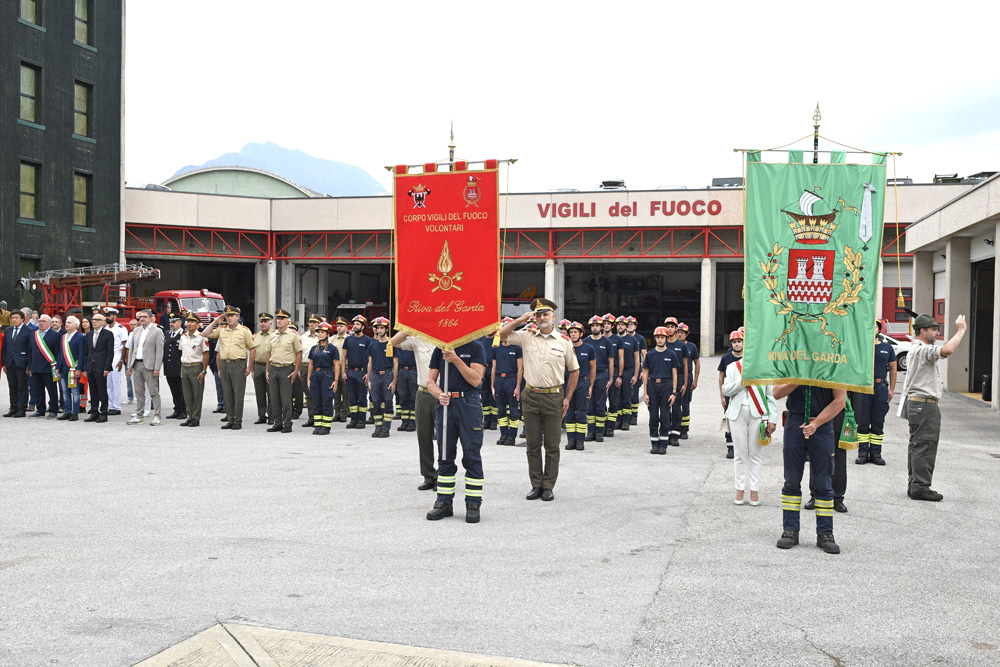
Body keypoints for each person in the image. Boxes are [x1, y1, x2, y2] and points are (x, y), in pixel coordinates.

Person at [500, 298, 580, 502]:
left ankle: (548, 485)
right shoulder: (527, 337)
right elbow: (501, 335)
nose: (541, 318)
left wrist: (567, 398)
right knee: (532, 444)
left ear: (553, 317)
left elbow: (574, 370)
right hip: (531, 395)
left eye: (545, 314)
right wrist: (521, 319)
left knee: (552, 445)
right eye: (538, 315)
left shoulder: (563, 342)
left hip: (554, 397)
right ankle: (536, 484)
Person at [772, 382, 847, 554]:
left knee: (823, 481)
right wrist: (798, 378)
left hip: (822, 424)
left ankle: (825, 533)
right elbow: (775, 392)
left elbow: (840, 401)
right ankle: (790, 530)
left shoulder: (833, 363)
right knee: (791, 480)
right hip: (794, 421)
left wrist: (817, 423)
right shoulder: (793, 360)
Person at [900, 313, 967, 502]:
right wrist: (961, 330)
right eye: (934, 329)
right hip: (924, 406)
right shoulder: (922, 350)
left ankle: (915, 483)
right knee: (925, 446)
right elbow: (947, 350)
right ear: (923, 331)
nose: (937, 333)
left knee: (917, 445)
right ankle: (920, 487)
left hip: (917, 405)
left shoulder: (916, 349)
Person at [425, 338, 487, 523]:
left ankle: (473, 504)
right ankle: (444, 502)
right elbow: (430, 380)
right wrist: (438, 394)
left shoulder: (476, 347)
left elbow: (476, 379)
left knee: (472, 455)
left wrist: (455, 359)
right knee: (445, 455)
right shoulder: (440, 348)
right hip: (446, 404)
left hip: (469, 402)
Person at [721, 331, 777, 505]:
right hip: (737, 414)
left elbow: (770, 396)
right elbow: (726, 390)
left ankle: (754, 490)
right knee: (739, 454)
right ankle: (739, 490)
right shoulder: (732, 368)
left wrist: (772, 418)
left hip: (758, 414)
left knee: (755, 454)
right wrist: (742, 381)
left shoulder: (763, 368)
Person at [391, 330, 438, 490]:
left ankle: (444, 475)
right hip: (424, 393)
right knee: (423, 436)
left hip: (443, 394)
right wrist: (409, 328)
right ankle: (429, 475)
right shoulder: (419, 340)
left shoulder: (447, 339)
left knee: (445, 438)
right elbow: (394, 342)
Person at [201, 306, 256, 430]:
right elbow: (204, 333)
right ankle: (230, 419)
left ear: (237, 317)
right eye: (228, 316)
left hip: (238, 364)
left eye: (232, 316)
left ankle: (237, 420)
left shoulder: (244, 331)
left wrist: (249, 367)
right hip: (224, 364)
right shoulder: (222, 330)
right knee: (227, 393)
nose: (229, 318)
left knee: (238, 393)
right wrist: (216, 321)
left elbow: (252, 349)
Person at [854, 320, 898, 466]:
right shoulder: (861, 347)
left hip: (880, 388)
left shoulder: (887, 348)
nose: (873, 328)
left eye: (876, 326)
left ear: (879, 330)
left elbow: (893, 369)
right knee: (863, 422)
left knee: (878, 422)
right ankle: (862, 452)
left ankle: (876, 453)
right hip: (863, 388)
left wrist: (891, 389)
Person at [642, 326, 680, 455]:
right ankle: (654, 443)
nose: (659, 339)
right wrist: (645, 393)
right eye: (657, 337)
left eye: (662, 337)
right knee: (653, 417)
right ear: (655, 338)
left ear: (666, 338)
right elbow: (645, 373)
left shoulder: (672, 354)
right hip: (653, 385)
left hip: (667, 385)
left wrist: (674, 392)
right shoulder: (650, 354)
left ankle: (663, 444)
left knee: (664, 416)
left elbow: (675, 374)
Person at [265, 309, 303, 434]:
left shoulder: (293, 335)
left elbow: (298, 353)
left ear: (288, 321)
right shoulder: (273, 335)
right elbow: (268, 353)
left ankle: (287, 423)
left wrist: (296, 370)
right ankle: (277, 422)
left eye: (282, 319)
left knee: (286, 398)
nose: (279, 321)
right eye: (278, 319)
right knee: (274, 397)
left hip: (286, 368)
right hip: (273, 367)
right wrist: (267, 370)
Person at [125, 309, 165, 426]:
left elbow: (159, 351)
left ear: (151, 318)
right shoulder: (136, 331)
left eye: (144, 317)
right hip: (137, 364)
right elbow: (132, 349)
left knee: (153, 392)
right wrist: (129, 366)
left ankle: (157, 416)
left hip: (150, 365)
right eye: (140, 317)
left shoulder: (157, 331)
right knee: (139, 392)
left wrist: (157, 367)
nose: (142, 319)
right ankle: (139, 415)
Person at [564, 321, 595, 451]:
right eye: (571, 332)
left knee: (582, 412)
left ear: (581, 333)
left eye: (576, 332)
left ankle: (580, 441)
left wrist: (591, 385)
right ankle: (571, 440)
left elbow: (593, 368)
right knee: (569, 412)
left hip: (582, 383)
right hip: (567, 383)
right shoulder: (566, 348)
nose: (573, 334)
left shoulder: (589, 349)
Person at [493, 318, 523, 446]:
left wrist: (517, 386)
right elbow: (493, 368)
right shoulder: (496, 347)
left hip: (511, 379)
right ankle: (503, 434)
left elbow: (520, 369)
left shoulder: (517, 348)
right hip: (499, 379)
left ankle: (512, 436)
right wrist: (492, 386)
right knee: (500, 410)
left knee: (513, 410)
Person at [366, 317, 397, 438]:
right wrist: (368, 380)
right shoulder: (372, 345)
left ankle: (385, 428)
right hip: (375, 375)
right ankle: (378, 427)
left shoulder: (391, 344)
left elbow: (395, 364)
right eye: (377, 328)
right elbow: (370, 363)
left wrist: (394, 381)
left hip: (388, 374)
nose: (379, 330)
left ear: (386, 329)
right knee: (376, 403)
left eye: (381, 328)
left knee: (388, 402)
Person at [307, 322, 340, 435]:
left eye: (323, 332)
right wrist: (308, 379)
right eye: (319, 332)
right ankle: (318, 424)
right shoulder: (314, 348)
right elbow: (311, 364)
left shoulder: (332, 348)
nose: (320, 334)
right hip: (316, 375)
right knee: (316, 400)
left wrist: (335, 380)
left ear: (328, 334)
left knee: (326, 400)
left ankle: (326, 426)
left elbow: (336, 365)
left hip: (327, 375)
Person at [661, 317, 690, 447]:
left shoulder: (681, 345)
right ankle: (666, 433)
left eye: (672, 326)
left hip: (678, 379)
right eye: (668, 326)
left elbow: (685, 367)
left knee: (677, 409)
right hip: (665, 379)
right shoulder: (662, 343)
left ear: (676, 329)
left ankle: (675, 435)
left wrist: (684, 384)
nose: (670, 328)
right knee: (665, 409)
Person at [178, 312, 209, 427]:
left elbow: (206, 354)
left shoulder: (201, 337)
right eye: (188, 322)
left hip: (196, 367)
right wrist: (182, 369)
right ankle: (189, 416)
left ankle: (196, 418)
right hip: (185, 367)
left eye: (192, 322)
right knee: (187, 394)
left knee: (197, 394)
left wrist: (204, 371)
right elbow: (182, 353)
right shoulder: (183, 337)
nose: (189, 324)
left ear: (197, 324)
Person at [27, 314, 61, 418]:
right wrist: (29, 366)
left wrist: (57, 367)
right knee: (38, 390)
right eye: (40, 321)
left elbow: (58, 352)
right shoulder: (33, 334)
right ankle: (40, 409)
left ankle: (53, 409)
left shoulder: (55, 335)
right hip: (36, 367)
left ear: (50, 324)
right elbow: (30, 351)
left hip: (49, 367)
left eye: (44, 321)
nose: (41, 323)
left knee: (52, 390)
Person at [585, 315, 613, 443]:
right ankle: (590, 431)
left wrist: (611, 378)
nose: (595, 327)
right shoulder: (586, 342)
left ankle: (599, 432)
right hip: (589, 376)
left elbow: (611, 362)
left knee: (600, 404)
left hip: (602, 375)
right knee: (589, 404)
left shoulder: (607, 342)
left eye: (597, 325)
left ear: (601, 327)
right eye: (593, 325)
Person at [83, 313, 114, 422]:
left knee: (102, 390)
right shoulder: (89, 334)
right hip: (91, 366)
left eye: (97, 320)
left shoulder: (108, 334)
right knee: (93, 390)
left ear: (103, 321)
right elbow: (87, 352)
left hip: (101, 366)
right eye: (93, 320)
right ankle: (94, 411)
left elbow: (110, 353)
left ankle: (104, 412)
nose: (94, 321)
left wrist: (107, 367)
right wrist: (85, 368)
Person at [343, 315, 373, 429]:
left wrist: (368, 374)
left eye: (358, 324)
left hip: (362, 373)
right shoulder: (348, 339)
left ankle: (361, 420)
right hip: (350, 372)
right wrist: (344, 372)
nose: (355, 326)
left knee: (362, 397)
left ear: (363, 326)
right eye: (354, 324)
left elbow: (371, 359)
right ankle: (353, 419)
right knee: (352, 397)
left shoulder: (367, 340)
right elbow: (343, 357)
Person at [2, 309, 31, 417]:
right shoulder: (9, 330)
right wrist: (4, 363)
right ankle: (13, 407)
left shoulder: (28, 331)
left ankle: (22, 408)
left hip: (22, 362)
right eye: (13, 318)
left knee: (22, 386)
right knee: (12, 386)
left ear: (22, 319)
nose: (14, 320)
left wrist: (29, 364)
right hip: (10, 362)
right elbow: (5, 348)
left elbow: (30, 349)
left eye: (16, 318)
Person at [56, 315, 85, 421]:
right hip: (63, 368)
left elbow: (82, 355)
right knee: (65, 391)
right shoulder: (63, 337)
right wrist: (57, 367)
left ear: (76, 325)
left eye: (69, 322)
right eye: (66, 322)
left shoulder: (80, 337)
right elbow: (60, 353)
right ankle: (67, 411)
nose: (66, 324)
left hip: (73, 368)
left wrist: (79, 369)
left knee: (75, 391)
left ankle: (75, 412)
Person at [614, 316, 640, 431]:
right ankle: (618, 420)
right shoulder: (613, 339)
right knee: (616, 398)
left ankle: (626, 420)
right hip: (615, 371)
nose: (620, 326)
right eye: (618, 324)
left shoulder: (632, 340)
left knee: (627, 397)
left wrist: (635, 375)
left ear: (626, 326)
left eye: (622, 324)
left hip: (628, 371)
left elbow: (637, 359)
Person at [601, 314, 625, 437]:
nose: (606, 325)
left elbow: (621, 359)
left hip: (614, 371)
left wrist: (620, 376)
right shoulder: (597, 339)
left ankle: (610, 427)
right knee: (601, 400)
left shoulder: (618, 340)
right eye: (604, 324)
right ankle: (602, 425)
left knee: (613, 400)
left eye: (608, 324)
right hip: (601, 372)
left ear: (612, 325)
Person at [676, 323, 701, 439]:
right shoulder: (671, 345)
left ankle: (684, 429)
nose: (680, 334)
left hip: (687, 376)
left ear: (687, 334)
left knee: (685, 404)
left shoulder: (692, 347)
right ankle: (675, 427)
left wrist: (695, 380)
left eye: (682, 332)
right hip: (674, 376)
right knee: (674, 403)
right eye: (678, 332)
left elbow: (697, 363)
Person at [717, 338, 740, 459]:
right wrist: (722, 396)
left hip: (743, 394)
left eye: (739, 341)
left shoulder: (748, 358)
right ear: (731, 344)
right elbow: (721, 377)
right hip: (729, 393)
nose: (737, 344)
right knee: (729, 420)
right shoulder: (725, 358)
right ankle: (730, 447)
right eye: (734, 342)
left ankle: (741, 447)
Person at [162, 314, 187, 420]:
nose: (171, 324)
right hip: (169, 367)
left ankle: (183, 410)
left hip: (179, 366)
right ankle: (176, 409)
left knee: (182, 390)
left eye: (174, 322)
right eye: (170, 322)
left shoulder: (184, 335)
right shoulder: (167, 334)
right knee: (174, 389)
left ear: (180, 323)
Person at [252, 313, 275, 425]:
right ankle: (261, 415)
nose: (263, 324)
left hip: (270, 366)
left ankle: (271, 415)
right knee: (259, 393)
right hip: (258, 365)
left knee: (271, 393)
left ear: (271, 323)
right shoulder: (255, 336)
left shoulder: (275, 335)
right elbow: (252, 351)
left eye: (266, 321)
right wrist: (251, 368)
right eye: (261, 321)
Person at [299, 315, 322, 427]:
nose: (311, 324)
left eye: (314, 322)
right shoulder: (303, 337)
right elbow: (298, 353)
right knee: (308, 393)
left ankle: (319, 417)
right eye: (310, 322)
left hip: (318, 367)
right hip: (304, 366)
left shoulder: (322, 336)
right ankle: (311, 417)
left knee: (318, 393)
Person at [105, 307, 129, 416]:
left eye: (109, 315)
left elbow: (124, 345)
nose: (107, 317)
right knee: (108, 383)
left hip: (116, 355)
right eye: (106, 315)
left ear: (115, 316)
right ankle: (111, 405)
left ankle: (117, 407)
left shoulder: (121, 328)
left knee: (116, 382)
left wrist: (121, 360)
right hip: (107, 356)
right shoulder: (105, 328)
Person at [625, 316, 646, 425]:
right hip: (625, 369)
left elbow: (644, 355)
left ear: (635, 326)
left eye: (632, 324)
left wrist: (644, 371)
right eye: (628, 324)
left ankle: (634, 416)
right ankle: (626, 416)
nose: (629, 326)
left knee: (634, 394)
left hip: (636, 369)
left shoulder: (640, 339)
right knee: (624, 394)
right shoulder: (621, 338)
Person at [395, 336, 418, 432]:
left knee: (413, 397)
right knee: (403, 397)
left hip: (413, 370)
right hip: (401, 370)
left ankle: (413, 422)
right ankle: (404, 421)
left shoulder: (415, 340)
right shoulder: (399, 341)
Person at [330, 317, 351, 423]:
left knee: (345, 392)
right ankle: (337, 413)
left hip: (346, 367)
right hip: (335, 368)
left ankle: (344, 413)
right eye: (338, 326)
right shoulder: (332, 339)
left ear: (346, 327)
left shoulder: (349, 339)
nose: (339, 328)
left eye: (341, 326)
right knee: (336, 392)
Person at [478, 329, 498, 429]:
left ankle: (494, 420)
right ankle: (487, 419)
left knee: (493, 395)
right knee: (484, 396)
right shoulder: (481, 340)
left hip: (494, 369)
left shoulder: (497, 340)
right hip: (483, 369)